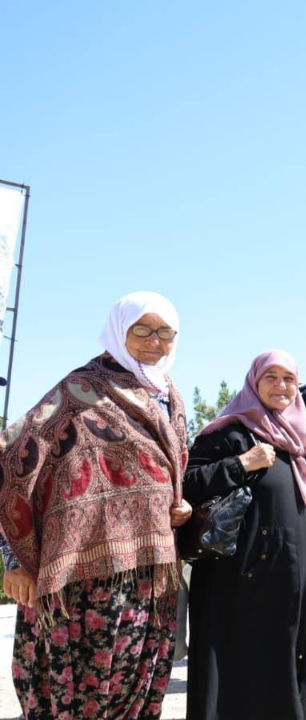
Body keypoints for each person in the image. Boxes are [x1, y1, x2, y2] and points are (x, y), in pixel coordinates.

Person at [0, 291, 191, 720]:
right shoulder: (78, 392)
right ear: (118, 331)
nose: (155, 341)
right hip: (81, 584)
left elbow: (170, 472)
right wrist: (14, 558)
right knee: (78, 694)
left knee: (135, 689)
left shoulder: (169, 398)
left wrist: (183, 506)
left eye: (166, 332)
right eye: (142, 329)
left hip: (150, 577)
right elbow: (10, 461)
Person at [184, 350, 306, 720]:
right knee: (242, 673)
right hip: (239, 581)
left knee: (288, 668)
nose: (281, 386)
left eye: (289, 379)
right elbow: (188, 484)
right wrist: (242, 463)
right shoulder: (229, 432)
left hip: (294, 578)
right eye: (271, 377)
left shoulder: (300, 444)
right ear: (254, 382)